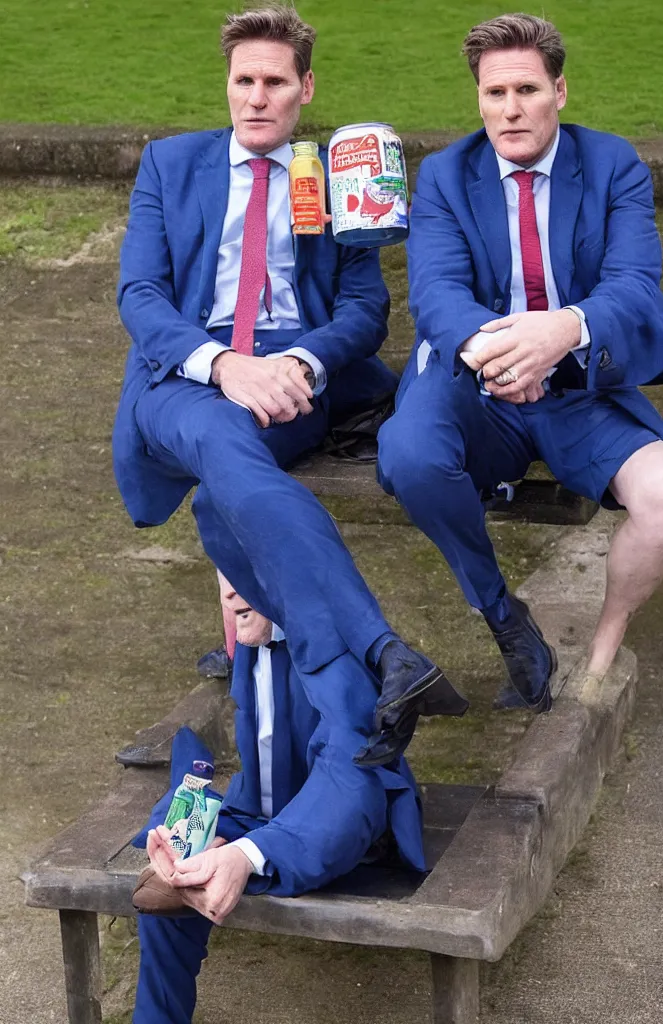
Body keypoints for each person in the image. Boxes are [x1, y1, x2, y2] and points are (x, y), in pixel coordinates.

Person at [112, 4, 467, 765]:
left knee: (222, 486)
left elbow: (366, 309)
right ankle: (380, 652)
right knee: (219, 433)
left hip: (289, 378)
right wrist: (225, 366)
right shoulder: (169, 165)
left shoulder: (343, 178)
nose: (257, 97)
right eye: (244, 80)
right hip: (185, 373)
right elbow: (140, 295)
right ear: (229, 83)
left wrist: (303, 363)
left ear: (306, 87)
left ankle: (340, 669)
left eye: (275, 81)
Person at [375, 13, 663, 717]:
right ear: (479, 100)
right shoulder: (446, 178)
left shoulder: (613, 165)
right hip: (475, 380)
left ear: (560, 91)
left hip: (577, 383)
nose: (510, 109)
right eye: (495, 94)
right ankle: (504, 618)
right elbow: (436, 294)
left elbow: (634, 285)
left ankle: (605, 647)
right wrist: (499, 357)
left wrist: (560, 331)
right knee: (408, 455)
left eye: (527, 89)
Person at [131, 574, 425, 1023]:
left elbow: (350, 791)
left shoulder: (335, 649)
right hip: (265, 814)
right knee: (167, 888)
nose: (229, 594)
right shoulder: (254, 631)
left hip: (347, 837)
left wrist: (247, 854)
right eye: (221, 574)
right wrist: (187, 832)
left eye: (242, 571)